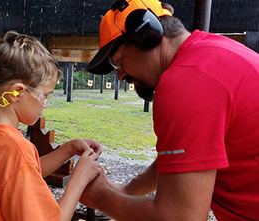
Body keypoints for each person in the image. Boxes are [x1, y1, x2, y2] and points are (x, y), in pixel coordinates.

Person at [80, 0, 259, 220]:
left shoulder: (184, 81)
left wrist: (101, 197)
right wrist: (127, 191)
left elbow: (180, 217)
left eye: (118, 61)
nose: (119, 75)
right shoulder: (207, 54)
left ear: (146, 35)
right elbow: (184, 157)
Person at [0, 31, 102, 221]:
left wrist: (68, 149)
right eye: (45, 96)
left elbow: (19, 176)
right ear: (16, 92)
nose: (45, 104)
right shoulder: (16, 152)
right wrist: (79, 179)